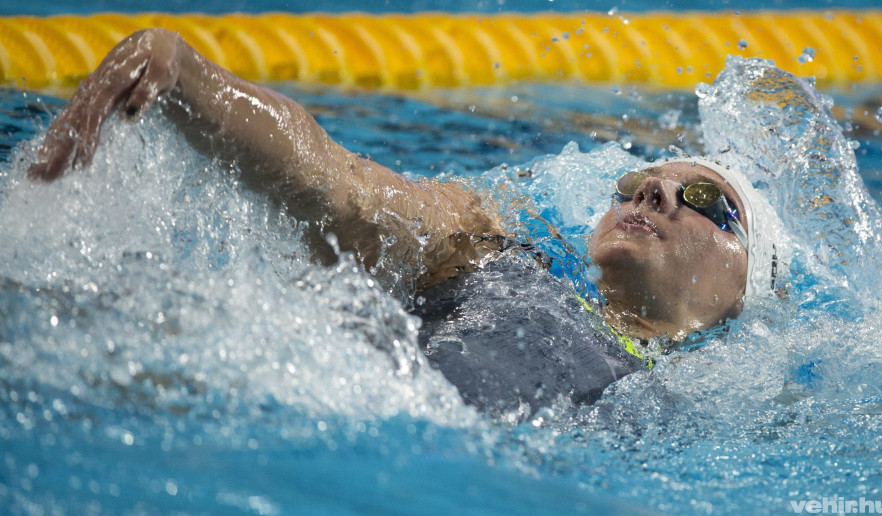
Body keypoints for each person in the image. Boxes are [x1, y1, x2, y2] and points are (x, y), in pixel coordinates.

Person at [28, 28, 763, 418]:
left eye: (706, 200)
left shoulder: (704, 415)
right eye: (637, 183)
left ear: (746, 290)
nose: (654, 192)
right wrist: (188, 76)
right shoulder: (491, 253)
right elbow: (337, 184)